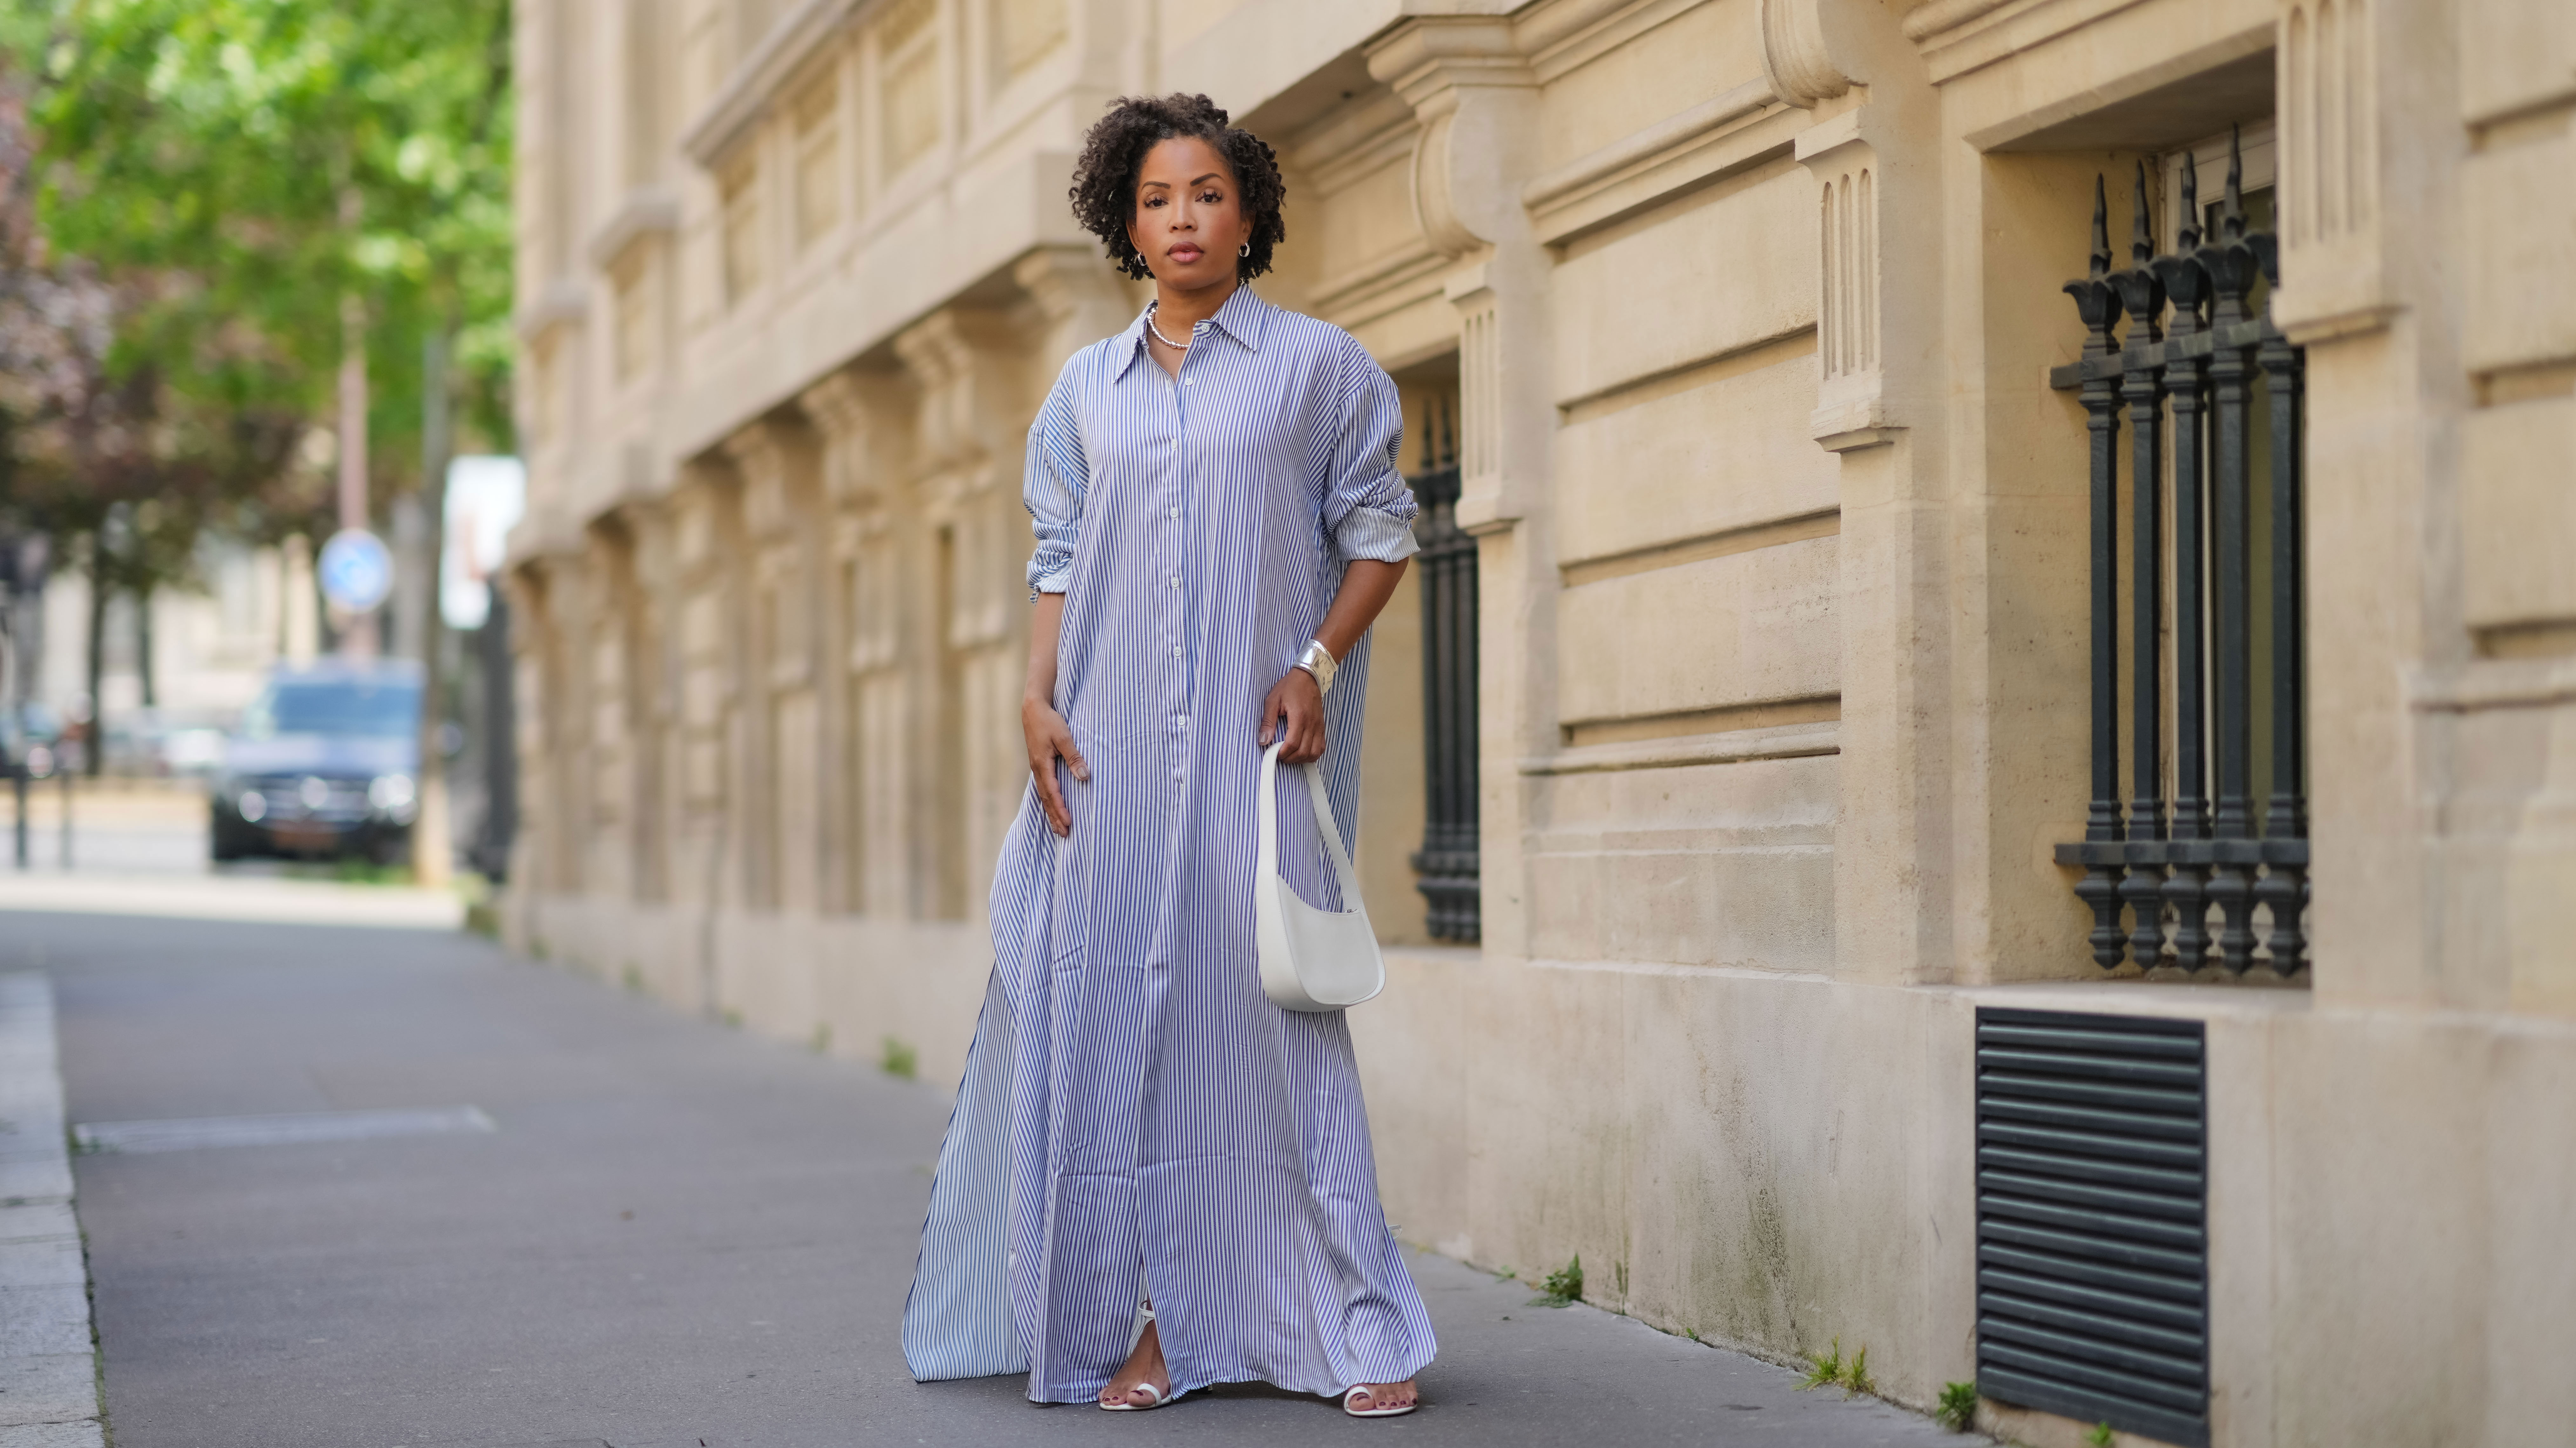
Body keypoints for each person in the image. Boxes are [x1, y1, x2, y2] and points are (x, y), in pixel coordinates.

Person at [901, 93, 1434, 1419]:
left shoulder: (1318, 369)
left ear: (1248, 213)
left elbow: (1381, 535)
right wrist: (1035, 699)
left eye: (1206, 194)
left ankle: (1360, 1324)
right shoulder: (1086, 391)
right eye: (1155, 200)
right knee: (1121, 1028)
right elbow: (1059, 558)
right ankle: (1153, 1327)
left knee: (1278, 1027)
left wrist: (1314, 664)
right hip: (1110, 756)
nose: (1182, 219)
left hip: (1259, 755)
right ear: (1125, 225)